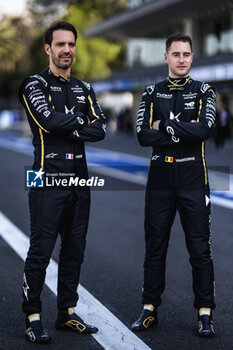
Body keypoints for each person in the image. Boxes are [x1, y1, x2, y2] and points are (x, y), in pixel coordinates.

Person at [19, 21, 106, 344]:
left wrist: (68, 124)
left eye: (71, 44)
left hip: (80, 181)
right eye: (60, 45)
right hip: (45, 177)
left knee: (74, 250)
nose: (67, 50)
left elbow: (100, 129)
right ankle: (33, 316)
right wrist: (80, 121)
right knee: (41, 251)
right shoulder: (34, 85)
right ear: (48, 48)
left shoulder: (84, 88)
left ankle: (66, 313)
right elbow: (46, 120)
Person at [132, 34, 216, 337]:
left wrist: (165, 126)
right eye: (176, 54)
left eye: (187, 54)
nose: (182, 59)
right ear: (165, 57)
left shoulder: (205, 91)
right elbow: (143, 135)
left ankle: (205, 313)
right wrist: (184, 130)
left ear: (192, 58)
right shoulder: (151, 92)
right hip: (160, 180)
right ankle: (149, 308)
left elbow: (204, 130)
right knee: (155, 248)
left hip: (194, 179)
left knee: (200, 250)